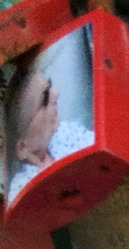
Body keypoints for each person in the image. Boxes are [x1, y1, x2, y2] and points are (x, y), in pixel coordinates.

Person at [6, 66, 94, 203]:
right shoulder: (21, 190)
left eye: (50, 85)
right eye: (45, 97)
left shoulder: (66, 132)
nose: (56, 93)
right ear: (23, 147)